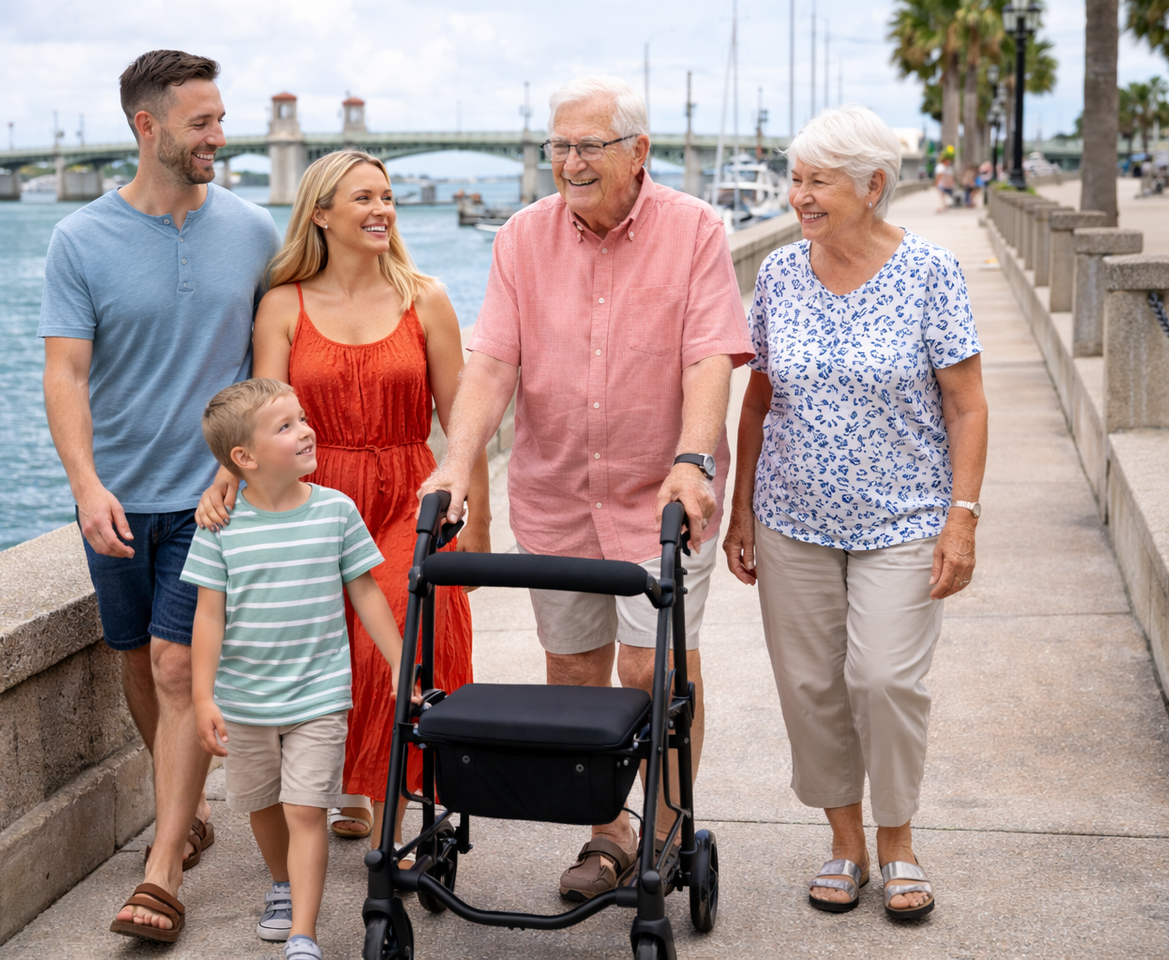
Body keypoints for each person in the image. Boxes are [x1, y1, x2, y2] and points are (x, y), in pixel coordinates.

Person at [420, 74, 752, 903]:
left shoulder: (696, 232)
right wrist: (459, 459)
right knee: (572, 670)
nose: (569, 162)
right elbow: (494, 360)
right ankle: (608, 832)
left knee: (654, 670)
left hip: (662, 496)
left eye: (587, 146)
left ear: (638, 152)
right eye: (558, 146)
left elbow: (709, 355)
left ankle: (668, 824)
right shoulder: (522, 238)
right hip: (558, 492)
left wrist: (693, 459)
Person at [723, 105, 988, 920]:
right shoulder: (778, 273)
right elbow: (759, 398)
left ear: (873, 186)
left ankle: (900, 841)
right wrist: (740, 508)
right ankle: (846, 843)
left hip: (904, 518)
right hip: (791, 515)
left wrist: (963, 516)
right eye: (796, 179)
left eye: (818, 181)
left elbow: (967, 407)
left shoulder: (931, 272)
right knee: (811, 685)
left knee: (883, 679)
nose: (799, 196)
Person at [38, 49, 279, 940]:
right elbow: (65, 374)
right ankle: (186, 811)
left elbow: (272, 357)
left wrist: (243, 458)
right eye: (203, 122)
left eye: (221, 118)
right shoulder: (80, 241)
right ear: (149, 127)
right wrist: (86, 484)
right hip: (116, 497)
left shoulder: (254, 230)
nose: (220, 135)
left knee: (180, 669)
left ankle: (162, 868)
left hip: (214, 498)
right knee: (139, 662)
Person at [196, 150, 490, 849]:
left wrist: (480, 526)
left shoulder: (427, 297)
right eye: (363, 198)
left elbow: (462, 420)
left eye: (386, 196)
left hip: (407, 497)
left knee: (397, 614)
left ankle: (390, 790)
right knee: (335, 640)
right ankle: (354, 782)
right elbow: (261, 415)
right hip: (316, 498)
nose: (381, 209)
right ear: (320, 214)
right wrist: (226, 476)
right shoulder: (283, 304)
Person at [185, 380, 409, 959]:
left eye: (302, 418)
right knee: (262, 805)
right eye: (285, 426)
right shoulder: (220, 528)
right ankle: (282, 885)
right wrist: (204, 699)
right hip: (245, 698)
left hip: (319, 694)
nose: (306, 429)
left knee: (307, 808)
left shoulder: (336, 510)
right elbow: (209, 619)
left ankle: (303, 935)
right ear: (245, 458)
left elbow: (364, 592)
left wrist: (400, 661)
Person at [933, 146, 956, 212]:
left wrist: (953, 185)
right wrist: (937, 187)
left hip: (949, 187)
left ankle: (944, 207)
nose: (948, 161)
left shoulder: (949, 168)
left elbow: (951, 178)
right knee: (943, 200)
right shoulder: (940, 167)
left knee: (949, 201)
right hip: (942, 187)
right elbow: (938, 177)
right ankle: (942, 207)